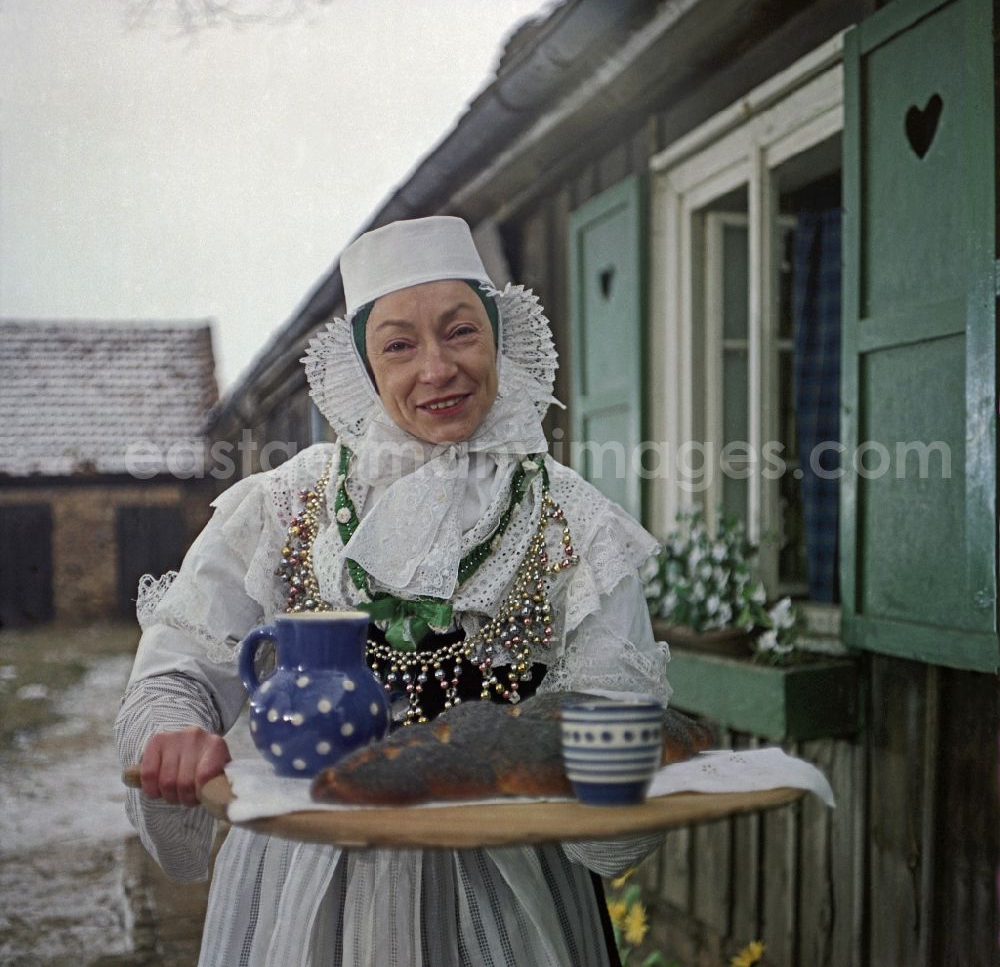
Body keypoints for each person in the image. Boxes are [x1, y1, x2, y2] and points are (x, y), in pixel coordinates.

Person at [116, 215, 672, 967]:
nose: (437, 369)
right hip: (309, 881)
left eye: (461, 332)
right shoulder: (286, 505)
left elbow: (617, 701)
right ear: (366, 369)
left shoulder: (572, 520)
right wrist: (173, 728)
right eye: (400, 345)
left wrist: (594, 751)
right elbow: (181, 660)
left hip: (506, 879)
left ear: (499, 340)